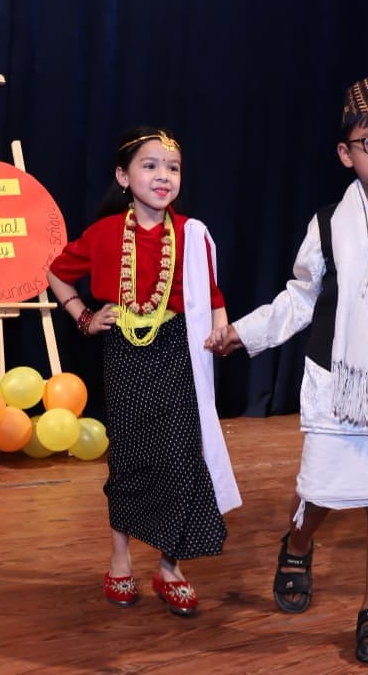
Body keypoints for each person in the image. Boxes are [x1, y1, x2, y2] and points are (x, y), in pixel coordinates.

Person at [205, 64, 368, 664]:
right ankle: (298, 545)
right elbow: (300, 297)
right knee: (323, 490)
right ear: (345, 153)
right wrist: (241, 334)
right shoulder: (326, 223)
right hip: (334, 383)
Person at [47, 127, 241, 616]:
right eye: (150, 165)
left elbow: (214, 297)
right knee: (131, 459)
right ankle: (119, 561)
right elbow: (55, 271)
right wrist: (84, 316)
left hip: (178, 350)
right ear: (123, 175)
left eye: (172, 168)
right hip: (126, 354)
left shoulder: (192, 234)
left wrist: (221, 332)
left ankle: (170, 567)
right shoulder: (105, 232)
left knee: (179, 459)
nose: (163, 176)